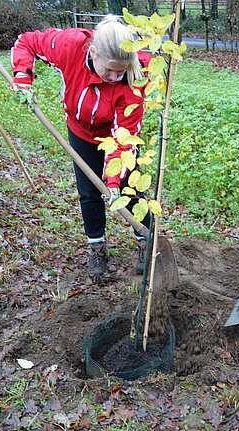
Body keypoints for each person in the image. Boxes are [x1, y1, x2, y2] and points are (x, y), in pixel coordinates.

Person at [10, 16, 151, 277]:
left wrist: (112, 180)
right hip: (81, 131)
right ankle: (97, 247)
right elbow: (26, 43)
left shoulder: (135, 77)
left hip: (115, 133)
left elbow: (124, 137)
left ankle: (146, 242)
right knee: (88, 192)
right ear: (93, 52)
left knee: (129, 187)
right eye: (109, 69)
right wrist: (22, 77)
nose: (114, 76)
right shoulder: (70, 46)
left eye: (121, 70)